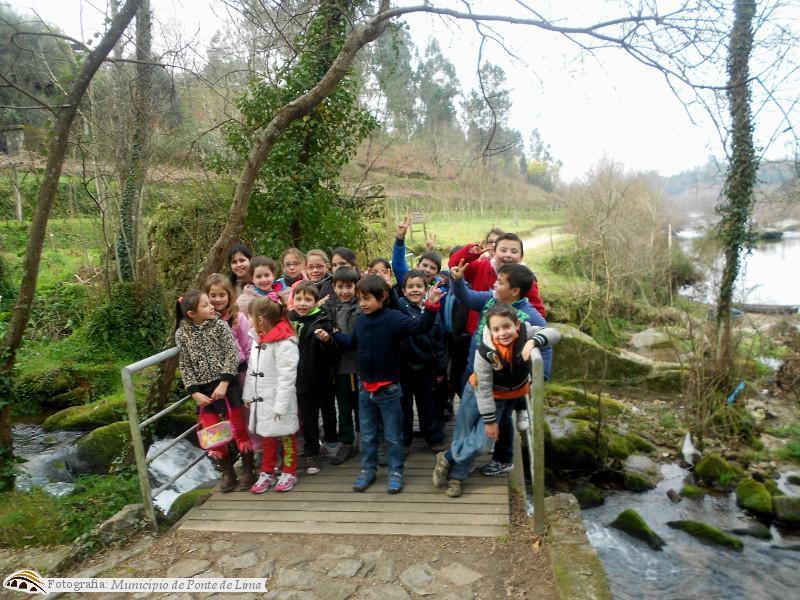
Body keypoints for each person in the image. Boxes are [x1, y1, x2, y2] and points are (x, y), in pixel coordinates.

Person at [315, 275, 444, 494]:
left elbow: (420, 326)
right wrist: (332, 337)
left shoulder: (394, 318)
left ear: (383, 296)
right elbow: (352, 342)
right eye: (360, 299)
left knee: (393, 436)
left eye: (367, 299)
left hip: (389, 390)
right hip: (365, 389)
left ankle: (396, 472)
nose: (362, 303)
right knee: (367, 435)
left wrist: (431, 306)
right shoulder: (361, 321)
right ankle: (368, 470)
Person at [432, 303, 560, 497]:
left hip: (500, 398)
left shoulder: (525, 332)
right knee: (464, 434)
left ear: (517, 325)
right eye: (496, 329)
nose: (502, 333)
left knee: (482, 444)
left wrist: (533, 342)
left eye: (507, 326)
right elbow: (483, 389)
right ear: (490, 330)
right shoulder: (485, 352)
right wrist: (490, 421)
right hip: (477, 393)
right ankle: (456, 477)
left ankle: (447, 456)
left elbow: (555, 333)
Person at [450, 259, 553, 474]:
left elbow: (546, 346)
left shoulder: (530, 315)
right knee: (470, 415)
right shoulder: (490, 299)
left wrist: (540, 376)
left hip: (505, 384)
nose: (494, 285)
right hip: (474, 371)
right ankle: (466, 456)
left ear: (514, 291)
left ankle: (502, 458)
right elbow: (466, 297)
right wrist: (457, 281)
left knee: (503, 420)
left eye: (499, 283)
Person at [175, 291, 252, 493]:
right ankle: (227, 472)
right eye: (206, 305)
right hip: (203, 391)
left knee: (239, 428)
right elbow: (185, 365)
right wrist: (194, 393)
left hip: (228, 385)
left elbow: (232, 354)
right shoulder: (182, 334)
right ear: (192, 313)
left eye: (210, 303)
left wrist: (224, 383)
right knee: (213, 434)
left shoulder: (220, 325)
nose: (212, 307)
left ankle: (248, 469)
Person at [204, 273, 257, 489]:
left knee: (240, 423)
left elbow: (247, 347)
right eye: (212, 295)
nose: (217, 300)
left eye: (221, 295)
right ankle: (226, 471)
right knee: (213, 426)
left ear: (229, 296)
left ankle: (248, 468)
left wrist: (251, 377)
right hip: (210, 382)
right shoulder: (202, 322)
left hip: (238, 378)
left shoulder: (238, 319)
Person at [244, 294, 301, 493]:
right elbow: (252, 370)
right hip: (262, 398)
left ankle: (289, 471)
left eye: (250, 316)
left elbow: (287, 376)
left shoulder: (284, 342)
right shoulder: (257, 339)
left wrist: (281, 405)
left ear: (260, 319)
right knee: (266, 435)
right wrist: (248, 395)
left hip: (278, 398)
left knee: (286, 435)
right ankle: (267, 471)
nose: (249, 320)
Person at [289, 280, 338, 474]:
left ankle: (332, 441)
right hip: (299, 377)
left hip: (321, 376)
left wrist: (327, 340)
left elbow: (332, 351)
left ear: (316, 301)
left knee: (328, 411)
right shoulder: (288, 319)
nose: (302, 303)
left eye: (307, 299)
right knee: (308, 416)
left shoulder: (323, 320)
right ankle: (312, 452)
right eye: (298, 299)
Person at [398, 270, 447, 454]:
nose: (415, 290)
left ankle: (434, 438)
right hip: (403, 368)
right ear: (403, 291)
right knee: (403, 407)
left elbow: (439, 342)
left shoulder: (432, 310)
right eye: (410, 287)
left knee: (427, 405)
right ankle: (404, 441)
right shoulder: (400, 308)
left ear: (425, 289)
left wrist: (440, 368)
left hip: (426, 367)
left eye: (419, 286)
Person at [323, 267, 361, 465]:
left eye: (349, 286)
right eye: (340, 287)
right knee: (344, 406)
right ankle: (347, 442)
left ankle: (366, 438)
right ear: (333, 287)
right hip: (338, 366)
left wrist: (337, 335)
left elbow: (356, 337)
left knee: (361, 405)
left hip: (359, 365)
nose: (344, 291)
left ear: (356, 286)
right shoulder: (328, 307)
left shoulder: (361, 306)